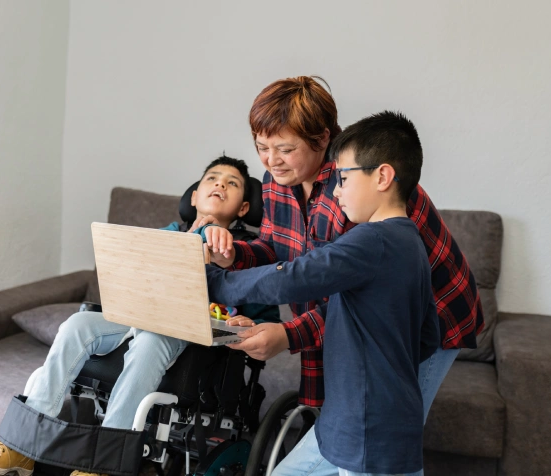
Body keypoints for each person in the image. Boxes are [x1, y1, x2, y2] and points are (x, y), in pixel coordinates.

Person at [204, 77, 483, 450]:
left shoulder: (361, 189)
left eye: (285, 149)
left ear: (322, 138)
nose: (271, 161)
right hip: (357, 318)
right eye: (261, 147)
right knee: (342, 440)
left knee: (376, 439)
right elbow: (275, 246)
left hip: (425, 315)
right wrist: (234, 255)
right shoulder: (276, 181)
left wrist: (287, 334)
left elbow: (350, 297)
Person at [0, 156, 280, 476]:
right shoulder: (164, 235)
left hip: (192, 335)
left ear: (243, 208)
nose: (221, 183)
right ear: (194, 196)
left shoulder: (250, 253)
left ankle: (103, 466)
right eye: (212, 178)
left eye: (232, 183)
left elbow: (267, 321)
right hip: (137, 316)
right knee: (77, 324)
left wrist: (248, 324)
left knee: (152, 338)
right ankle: (19, 448)